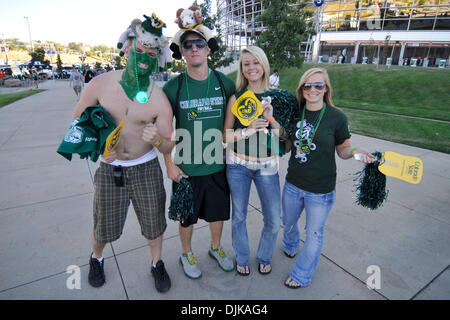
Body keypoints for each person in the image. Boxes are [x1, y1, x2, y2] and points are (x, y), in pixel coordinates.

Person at [70, 13, 175, 293]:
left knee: (154, 224)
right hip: (109, 169)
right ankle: (96, 258)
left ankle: (157, 263)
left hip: (146, 169)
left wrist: (156, 140)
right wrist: (100, 144)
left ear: (158, 57)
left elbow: (168, 145)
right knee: (104, 225)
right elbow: (77, 124)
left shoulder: (159, 98)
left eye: (151, 53)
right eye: (139, 50)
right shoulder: (100, 85)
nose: (144, 57)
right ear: (126, 49)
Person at [282, 67, 375, 289]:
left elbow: (343, 150)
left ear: (326, 89)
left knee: (314, 233)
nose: (312, 89)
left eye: (318, 85)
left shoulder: (336, 117)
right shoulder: (296, 113)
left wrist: (355, 152)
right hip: (293, 183)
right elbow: (287, 146)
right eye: (308, 85)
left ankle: (301, 275)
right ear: (302, 89)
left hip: (320, 190)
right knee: (287, 223)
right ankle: (291, 243)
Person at [162, 24, 236, 279]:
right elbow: (164, 131)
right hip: (186, 167)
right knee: (187, 217)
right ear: (181, 51)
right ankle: (186, 253)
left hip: (217, 163)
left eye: (199, 44)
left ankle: (216, 248)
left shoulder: (224, 82)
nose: (194, 49)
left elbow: (240, 114)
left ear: (208, 49)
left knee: (217, 213)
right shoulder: (174, 87)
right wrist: (169, 164)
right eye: (188, 45)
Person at [223, 46, 297, 276]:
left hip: (267, 166)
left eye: (255, 62)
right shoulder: (236, 98)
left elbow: (285, 136)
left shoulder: (280, 97)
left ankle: (264, 256)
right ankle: (242, 256)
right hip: (238, 165)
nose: (251, 67)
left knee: (274, 219)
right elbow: (225, 135)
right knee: (239, 216)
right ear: (242, 69)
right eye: (246, 64)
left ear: (263, 65)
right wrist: (246, 130)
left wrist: (271, 118)